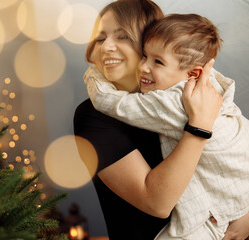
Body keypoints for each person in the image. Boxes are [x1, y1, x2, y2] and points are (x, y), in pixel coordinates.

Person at [74, 0, 249, 239]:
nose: (106, 47)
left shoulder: (189, 93)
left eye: (122, 36)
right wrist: (199, 126)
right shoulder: (93, 115)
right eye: (101, 38)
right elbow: (157, 204)